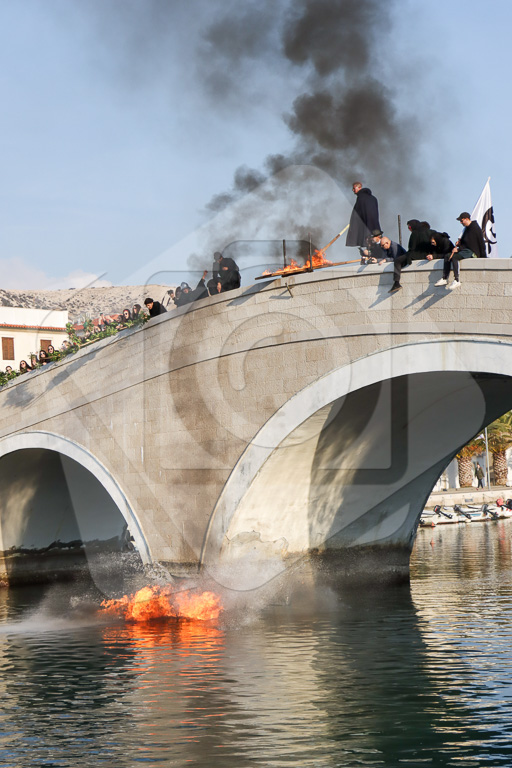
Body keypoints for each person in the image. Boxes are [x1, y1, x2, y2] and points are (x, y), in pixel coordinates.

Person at [436, 212, 486, 289]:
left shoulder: (474, 228)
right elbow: (465, 242)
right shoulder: (466, 229)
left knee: (454, 257)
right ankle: (445, 278)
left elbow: (473, 244)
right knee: (447, 256)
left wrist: (459, 249)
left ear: (467, 219)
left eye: (461, 220)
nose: (461, 222)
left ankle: (456, 280)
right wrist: (459, 244)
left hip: (472, 252)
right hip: (465, 250)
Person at [346, 182, 381, 247]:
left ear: (359, 188)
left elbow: (357, 214)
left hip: (365, 227)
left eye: (354, 188)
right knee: (374, 244)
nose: (353, 190)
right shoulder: (373, 198)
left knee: (368, 244)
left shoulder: (361, 198)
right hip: (374, 226)